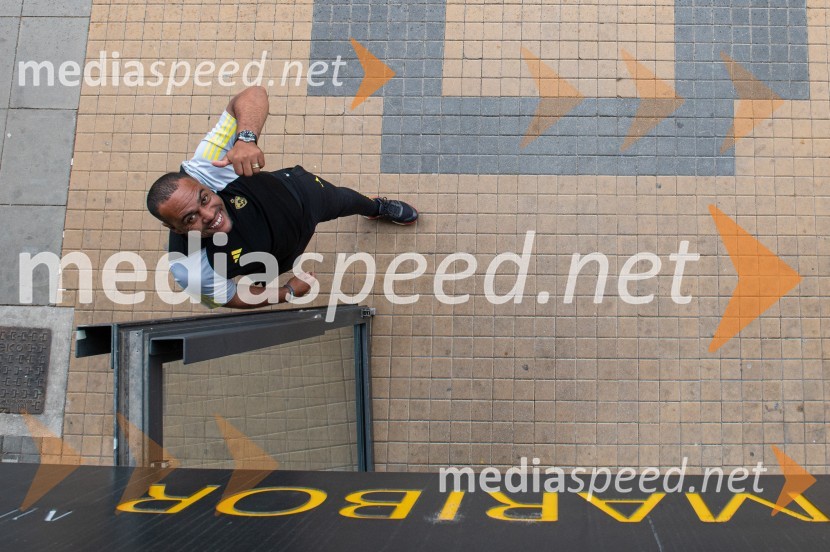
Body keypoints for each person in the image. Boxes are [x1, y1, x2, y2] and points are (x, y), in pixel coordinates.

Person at [145, 86, 418, 308]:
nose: (209, 215)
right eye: (190, 218)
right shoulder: (188, 268)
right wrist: (287, 292)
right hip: (280, 257)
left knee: (347, 199)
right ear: (173, 228)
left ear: (202, 184)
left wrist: (246, 139)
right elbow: (230, 297)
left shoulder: (206, 167)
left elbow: (254, 94)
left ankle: (375, 207)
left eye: (204, 199)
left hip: (301, 196)